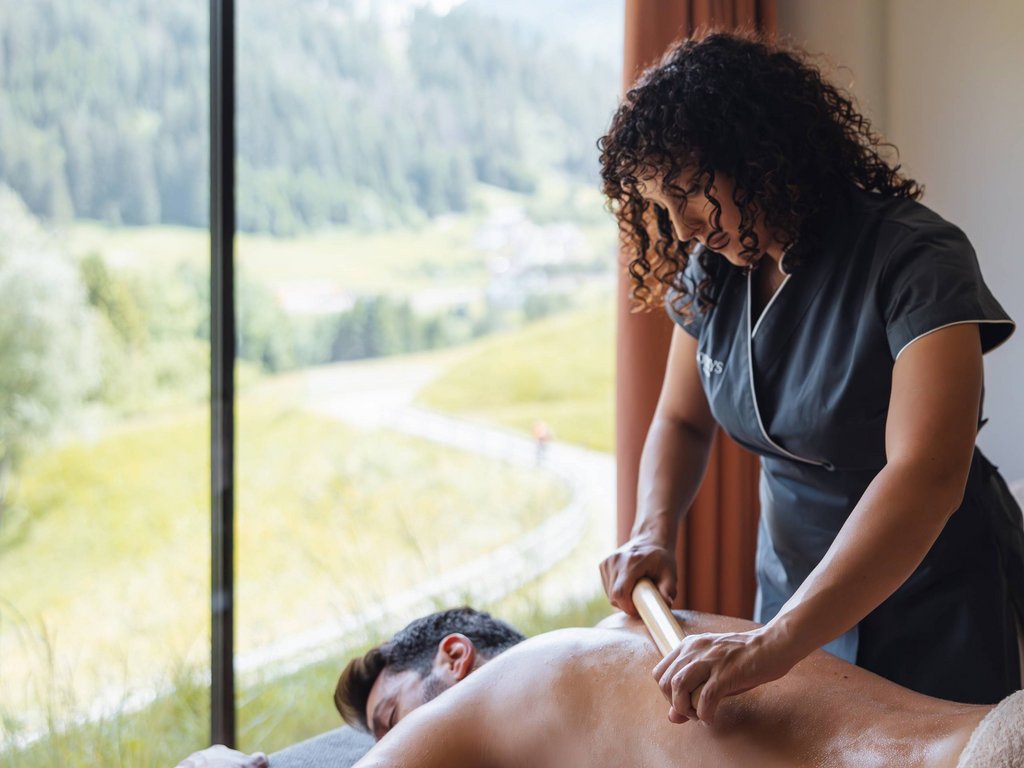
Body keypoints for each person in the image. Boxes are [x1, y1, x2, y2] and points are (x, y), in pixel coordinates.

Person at [597, 27, 1024, 726]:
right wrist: (653, 528)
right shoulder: (715, 273)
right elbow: (681, 419)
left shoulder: (917, 260)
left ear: (757, 153)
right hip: (789, 591)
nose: (680, 229)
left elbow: (927, 475)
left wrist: (773, 645)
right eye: (661, 205)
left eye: (690, 192)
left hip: (932, 598)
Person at [176, 604, 1023, 768]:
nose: (395, 741)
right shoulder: (651, 629)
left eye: (392, 718)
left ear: (458, 658)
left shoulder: (504, 692)